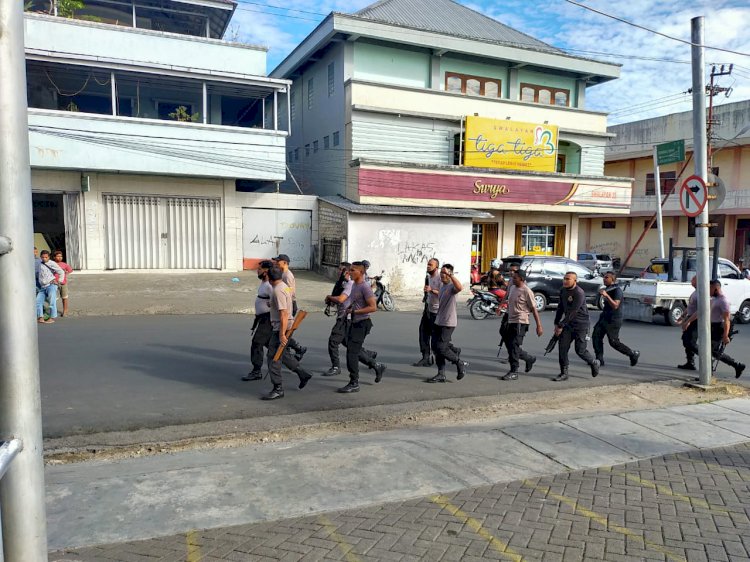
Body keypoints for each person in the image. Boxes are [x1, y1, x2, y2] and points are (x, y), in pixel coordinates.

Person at [261, 266, 313, 400]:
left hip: (281, 327)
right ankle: (302, 373)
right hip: (285, 326)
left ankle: (278, 388)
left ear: (269, 277)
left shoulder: (278, 290)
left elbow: (283, 314)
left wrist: (282, 334)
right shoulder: (283, 286)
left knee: (274, 358)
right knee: (283, 355)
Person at [337, 262, 386, 393]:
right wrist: (349, 309)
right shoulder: (354, 285)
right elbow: (355, 302)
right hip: (353, 322)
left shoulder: (365, 287)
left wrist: (354, 312)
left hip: (362, 323)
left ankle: (354, 382)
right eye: (349, 270)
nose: (349, 272)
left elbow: (373, 307)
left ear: (361, 272)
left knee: (351, 353)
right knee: (352, 348)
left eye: (352, 270)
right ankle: (376, 365)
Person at [552, 271, 600, 381]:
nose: (565, 280)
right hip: (568, 325)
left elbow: (573, 312)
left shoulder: (579, 292)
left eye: (568, 279)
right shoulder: (563, 291)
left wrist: (561, 325)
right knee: (562, 348)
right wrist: (556, 323)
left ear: (575, 281)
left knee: (580, 350)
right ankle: (564, 373)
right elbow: (560, 308)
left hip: (581, 325)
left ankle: (593, 363)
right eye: (564, 278)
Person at [426, 264, 469, 383]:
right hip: (439, 320)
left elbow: (460, 288)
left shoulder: (451, 287)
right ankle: (441, 374)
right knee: (435, 347)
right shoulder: (443, 287)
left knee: (441, 347)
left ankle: (459, 363)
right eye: (442, 273)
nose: (442, 275)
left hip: (448, 322)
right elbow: (439, 295)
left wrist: (451, 275)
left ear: (450, 274)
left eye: (445, 273)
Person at [500, 270, 543, 380]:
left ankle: (514, 371)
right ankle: (529, 358)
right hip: (509, 319)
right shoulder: (513, 288)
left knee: (514, 346)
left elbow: (534, 309)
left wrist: (539, 325)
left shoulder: (527, 291)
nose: (513, 279)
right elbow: (508, 299)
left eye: (515, 278)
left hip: (520, 321)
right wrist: (501, 306)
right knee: (508, 343)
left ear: (522, 279)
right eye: (513, 277)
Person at [592, 271, 640, 367]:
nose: (604, 279)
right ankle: (599, 359)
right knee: (596, 337)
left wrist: (606, 295)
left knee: (613, 342)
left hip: (614, 319)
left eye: (607, 277)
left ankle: (632, 353)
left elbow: (615, 305)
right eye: (604, 277)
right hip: (604, 317)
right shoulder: (608, 288)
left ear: (612, 279)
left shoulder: (617, 291)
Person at [242, 260, 274, 382]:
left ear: (266, 271)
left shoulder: (270, 286)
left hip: (268, 319)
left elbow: (278, 302)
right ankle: (297, 368)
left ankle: (256, 371)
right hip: (262, 318)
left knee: (257, 343)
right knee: (271, 344)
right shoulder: (264, 283)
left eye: (260, 269)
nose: (258, 270)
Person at [708, 280, 745, 378]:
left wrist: (725, 335)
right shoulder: (715, 299)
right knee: (713, 352)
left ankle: (708, 375)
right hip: (712, 327)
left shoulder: (723, 301)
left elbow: (726, 320)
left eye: (710, 288)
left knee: (711, 351)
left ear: (715, 288)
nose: (708, 291)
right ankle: (737, 366)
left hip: (718, 328)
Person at [273, 254, 306, 361]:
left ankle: (297, 349)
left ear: (285, 263)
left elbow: (290, 291)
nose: (276, 263)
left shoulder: (287, 275)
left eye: (278, 261)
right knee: (284, 331)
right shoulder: (282, 273)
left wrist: (283, 298)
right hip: (286, 302)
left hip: (290, 303)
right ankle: (293, 350)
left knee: (285, 331)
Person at [413, 258, 441, 367]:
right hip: (428, 309)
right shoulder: (429, 277)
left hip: (436, 311)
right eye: (428, 264)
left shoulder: (440, 278)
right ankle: (425, 357)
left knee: (437, 337)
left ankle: (452, 351)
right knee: (423, 332)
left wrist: (431, 290)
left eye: (431, 265)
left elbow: (443, 294)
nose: (428, 266)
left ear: (436, 267)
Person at [36, 249, 65, 324]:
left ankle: (52, 317)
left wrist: (59, 281)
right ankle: (40, 317)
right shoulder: (39, 263)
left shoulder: (52, 263)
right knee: (38, 302)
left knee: (52, 301)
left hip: (51, 285)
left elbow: (61, 272)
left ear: (49, 257)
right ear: (40, 257)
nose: (44, 259)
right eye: (42, 257)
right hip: (42, 287)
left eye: (46, 257)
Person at [678, 276, 699, 370]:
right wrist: (683, 316)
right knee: (686, 340)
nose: (691, 281)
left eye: (693, 280)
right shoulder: (695, 292)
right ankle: (690, 362)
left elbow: (699, 311)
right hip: (690, 318)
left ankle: (706, 356)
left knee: (690, 342)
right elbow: (690, 306)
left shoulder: (700, 293)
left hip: (695, 320)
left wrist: (689, 322)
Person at [52, 249, 73, 317]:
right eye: (58, 256)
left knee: (64, 297)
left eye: (61, 256)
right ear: (54, 257)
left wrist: (66, 273)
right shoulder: (51, 264)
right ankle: (53, 311)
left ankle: (65, 311)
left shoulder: (64, 264)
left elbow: (70, 270)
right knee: (53, 298)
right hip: (54, 283)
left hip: (63, 283)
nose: (60, 257)